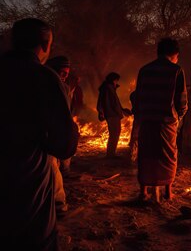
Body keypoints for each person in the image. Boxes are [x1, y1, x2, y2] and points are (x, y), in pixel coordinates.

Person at [0, 18, 79, 250]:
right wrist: (72, 127)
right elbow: (64, 145)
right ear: (44, 46)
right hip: (28, 184)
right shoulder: (44, 77)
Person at [134, 38, 187, 201]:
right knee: (168, 155)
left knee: (146, 153)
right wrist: (179, 116)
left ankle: (144, 192)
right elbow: (182, 100)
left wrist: (140, 115)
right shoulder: (176, 70)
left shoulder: (144, 70)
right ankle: (167, 192)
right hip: (166, 121)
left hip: (147, 120)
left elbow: (137, 96)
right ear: (174, 54)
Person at [45, 55, 73, 212]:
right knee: (52, 168)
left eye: (67, 74)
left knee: (53, 168)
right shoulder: (50, 83)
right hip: (47, 135)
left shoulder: (64, 87)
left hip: (51, 135)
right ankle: (58, 204)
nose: (65, 77)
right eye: (62, 73)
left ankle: (57, 203)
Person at [97, 72, 131, 158]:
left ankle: (111, 153)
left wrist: (122, 110)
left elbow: (114, 103)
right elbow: (110, 103)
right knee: (114, 133)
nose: (117, 82)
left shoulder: (109, 88)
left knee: (115, 133)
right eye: (116, 80)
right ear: (113, 80)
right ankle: (111, 154)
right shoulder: (108, 88)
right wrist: (101, 112)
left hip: (112, 114)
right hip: (112, 114)